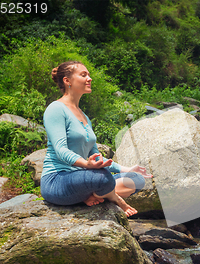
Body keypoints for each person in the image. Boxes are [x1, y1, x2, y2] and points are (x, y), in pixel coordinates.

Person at [40, 60, 151, 217]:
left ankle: (92, 195)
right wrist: (86, 164)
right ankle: (112, 197)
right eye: (83, 75)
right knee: (103, 178)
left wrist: (126, 169)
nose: (89, 78)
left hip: (83, 179)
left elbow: (97, 158)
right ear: (67, 81)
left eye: (89, 75)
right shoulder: (56, 109)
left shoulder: (84, 116)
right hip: (57, 180)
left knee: (136, 179)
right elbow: (60, 150)